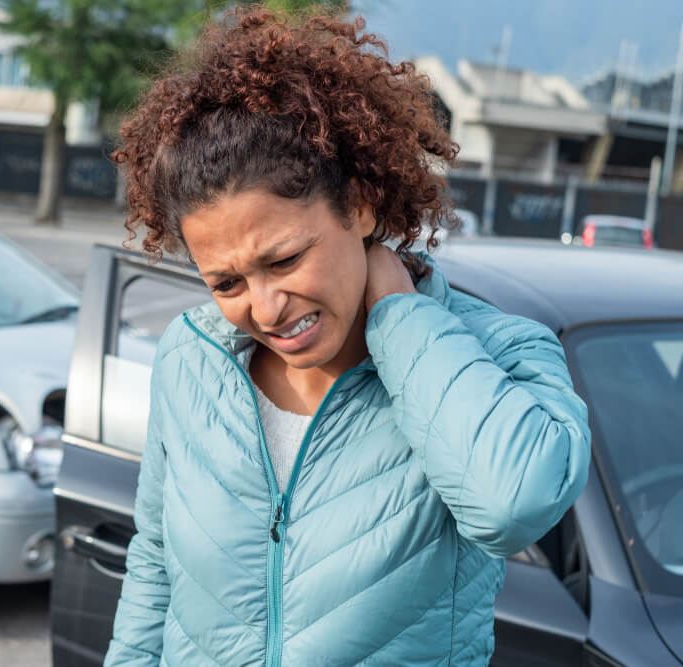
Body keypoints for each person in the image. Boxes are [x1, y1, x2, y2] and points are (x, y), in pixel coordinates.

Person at [105, 7, 591, 666]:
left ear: (360, 205)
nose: (266, 307)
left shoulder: (498, 353)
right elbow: (155, 565)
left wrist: (398, 312)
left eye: (283, 260)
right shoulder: (191, 356)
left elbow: (514, 505)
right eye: (226, 283)